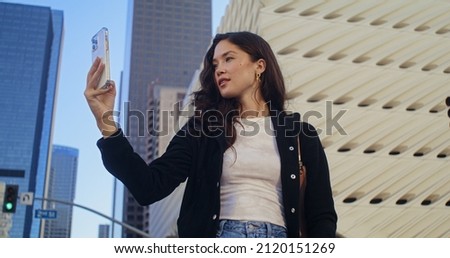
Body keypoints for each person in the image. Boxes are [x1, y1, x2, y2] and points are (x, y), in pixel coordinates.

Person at [84, 31, 337, 238]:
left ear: (259, 66)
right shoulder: (202, 129)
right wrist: (106, 123)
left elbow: (321, 214)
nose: (219, 69)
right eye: (215, 64)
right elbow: (149, 186)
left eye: (228, 59)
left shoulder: (300, 133)